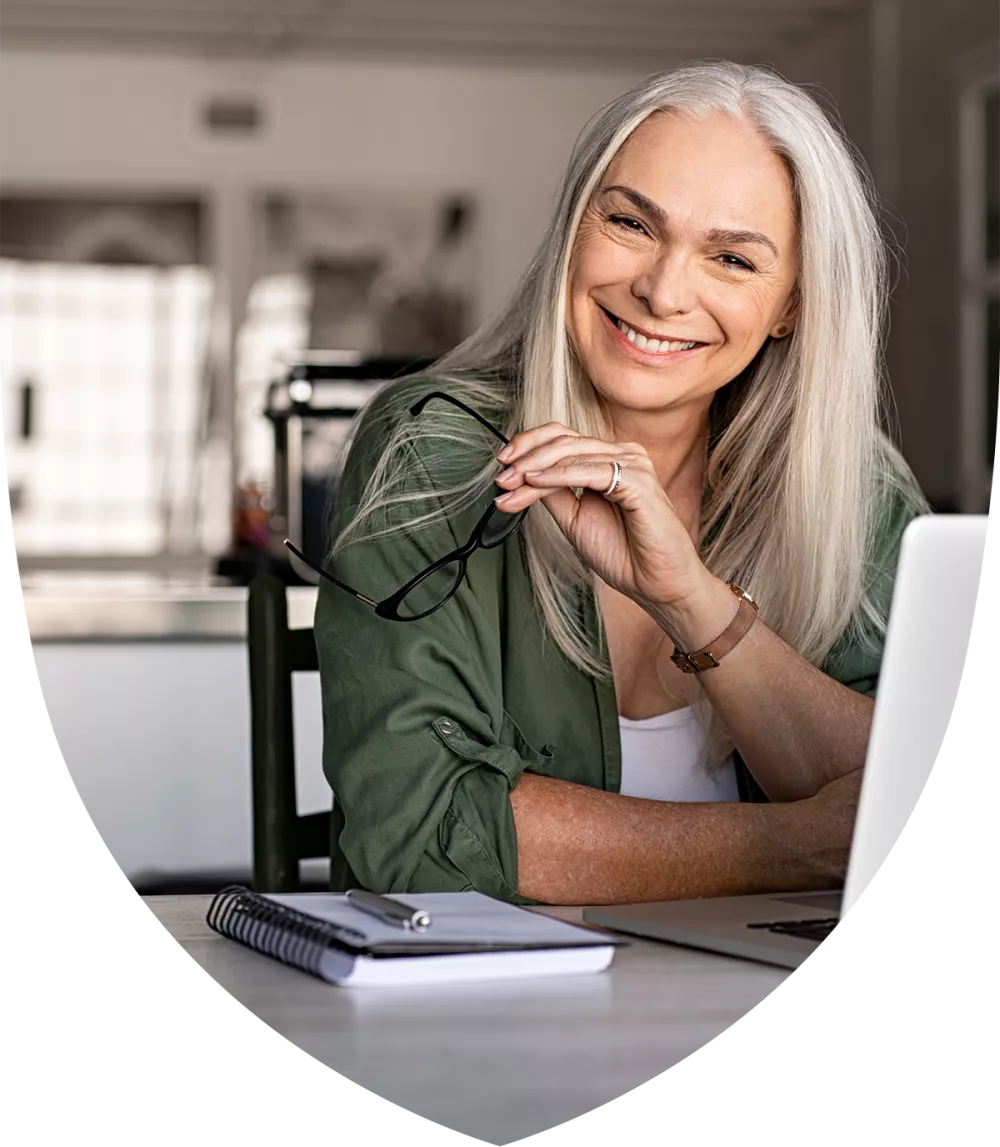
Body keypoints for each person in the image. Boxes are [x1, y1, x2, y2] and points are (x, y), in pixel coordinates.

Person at [300, 61, 929, 906]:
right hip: (483, 1014)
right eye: (631, 222)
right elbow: (418, 836)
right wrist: (788, 846)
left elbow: (911, 793)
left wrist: (693, 602)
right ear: (573, 227)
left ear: (792, 307)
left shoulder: (854, 488)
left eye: (733, 259)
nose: (663, 291)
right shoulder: (434, 448)